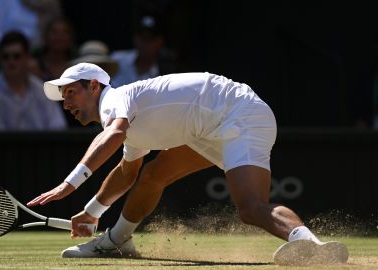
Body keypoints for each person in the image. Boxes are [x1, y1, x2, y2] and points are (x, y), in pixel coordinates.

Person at [27, 63, 349, 265]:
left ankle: (308, 244)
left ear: (93, 87)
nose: (66, 103)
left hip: (238, 113)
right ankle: (116, 241)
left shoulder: (116, 100)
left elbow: (115, 133)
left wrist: (70, 183)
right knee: (153, 173)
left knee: (250, 207)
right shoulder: (128, 124)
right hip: (217, 123)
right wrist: (91, 212)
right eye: (63, 97)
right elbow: (127, 172)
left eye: (71, 93)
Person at [0, 31, 67, 130]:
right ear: (0, 59)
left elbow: (57, 125)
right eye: (6, 57)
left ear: (27, 58)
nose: (11, 62)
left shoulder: (43, 90)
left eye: (16, 56)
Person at [110, 14, 176, 87]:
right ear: (135, 38)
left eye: (149, 38)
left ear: (159, 41)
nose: (144, 43)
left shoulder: (162, 75)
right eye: (142, 37)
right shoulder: (116, 60)